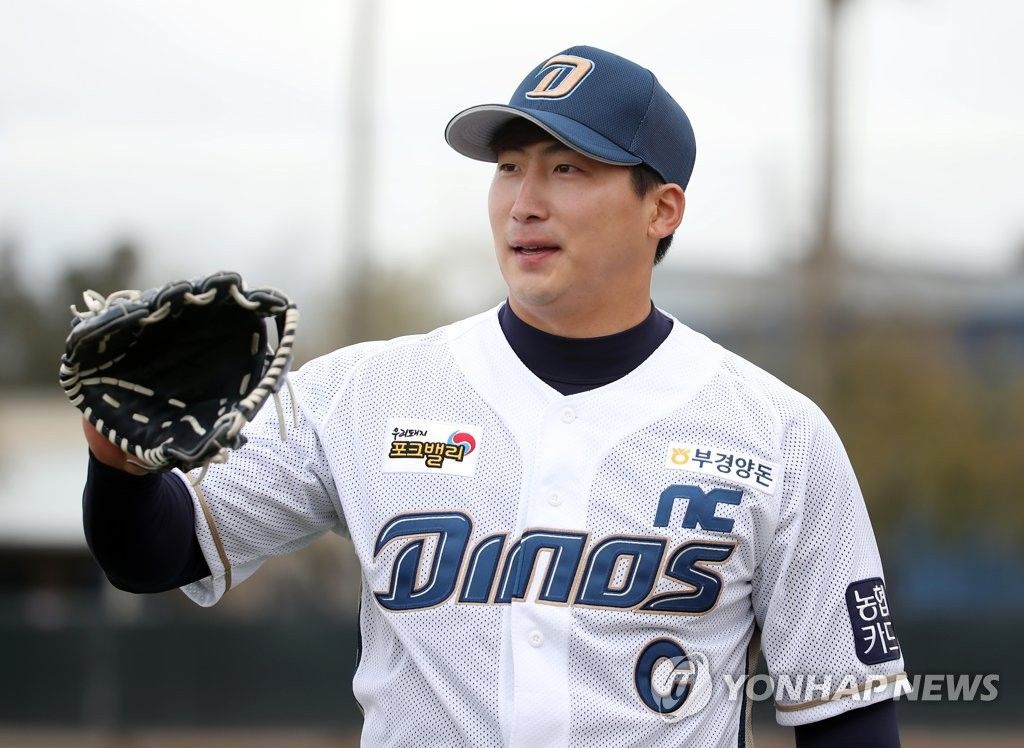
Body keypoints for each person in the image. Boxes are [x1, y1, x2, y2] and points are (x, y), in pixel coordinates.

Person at [82, 45, 905, 747]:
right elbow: (158, 554)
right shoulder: (362, 394)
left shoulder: (778, 435)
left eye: (567, 168)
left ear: (662, 209)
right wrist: (118, 466)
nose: (524, 202)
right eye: (509, 168)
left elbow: (847, 715)